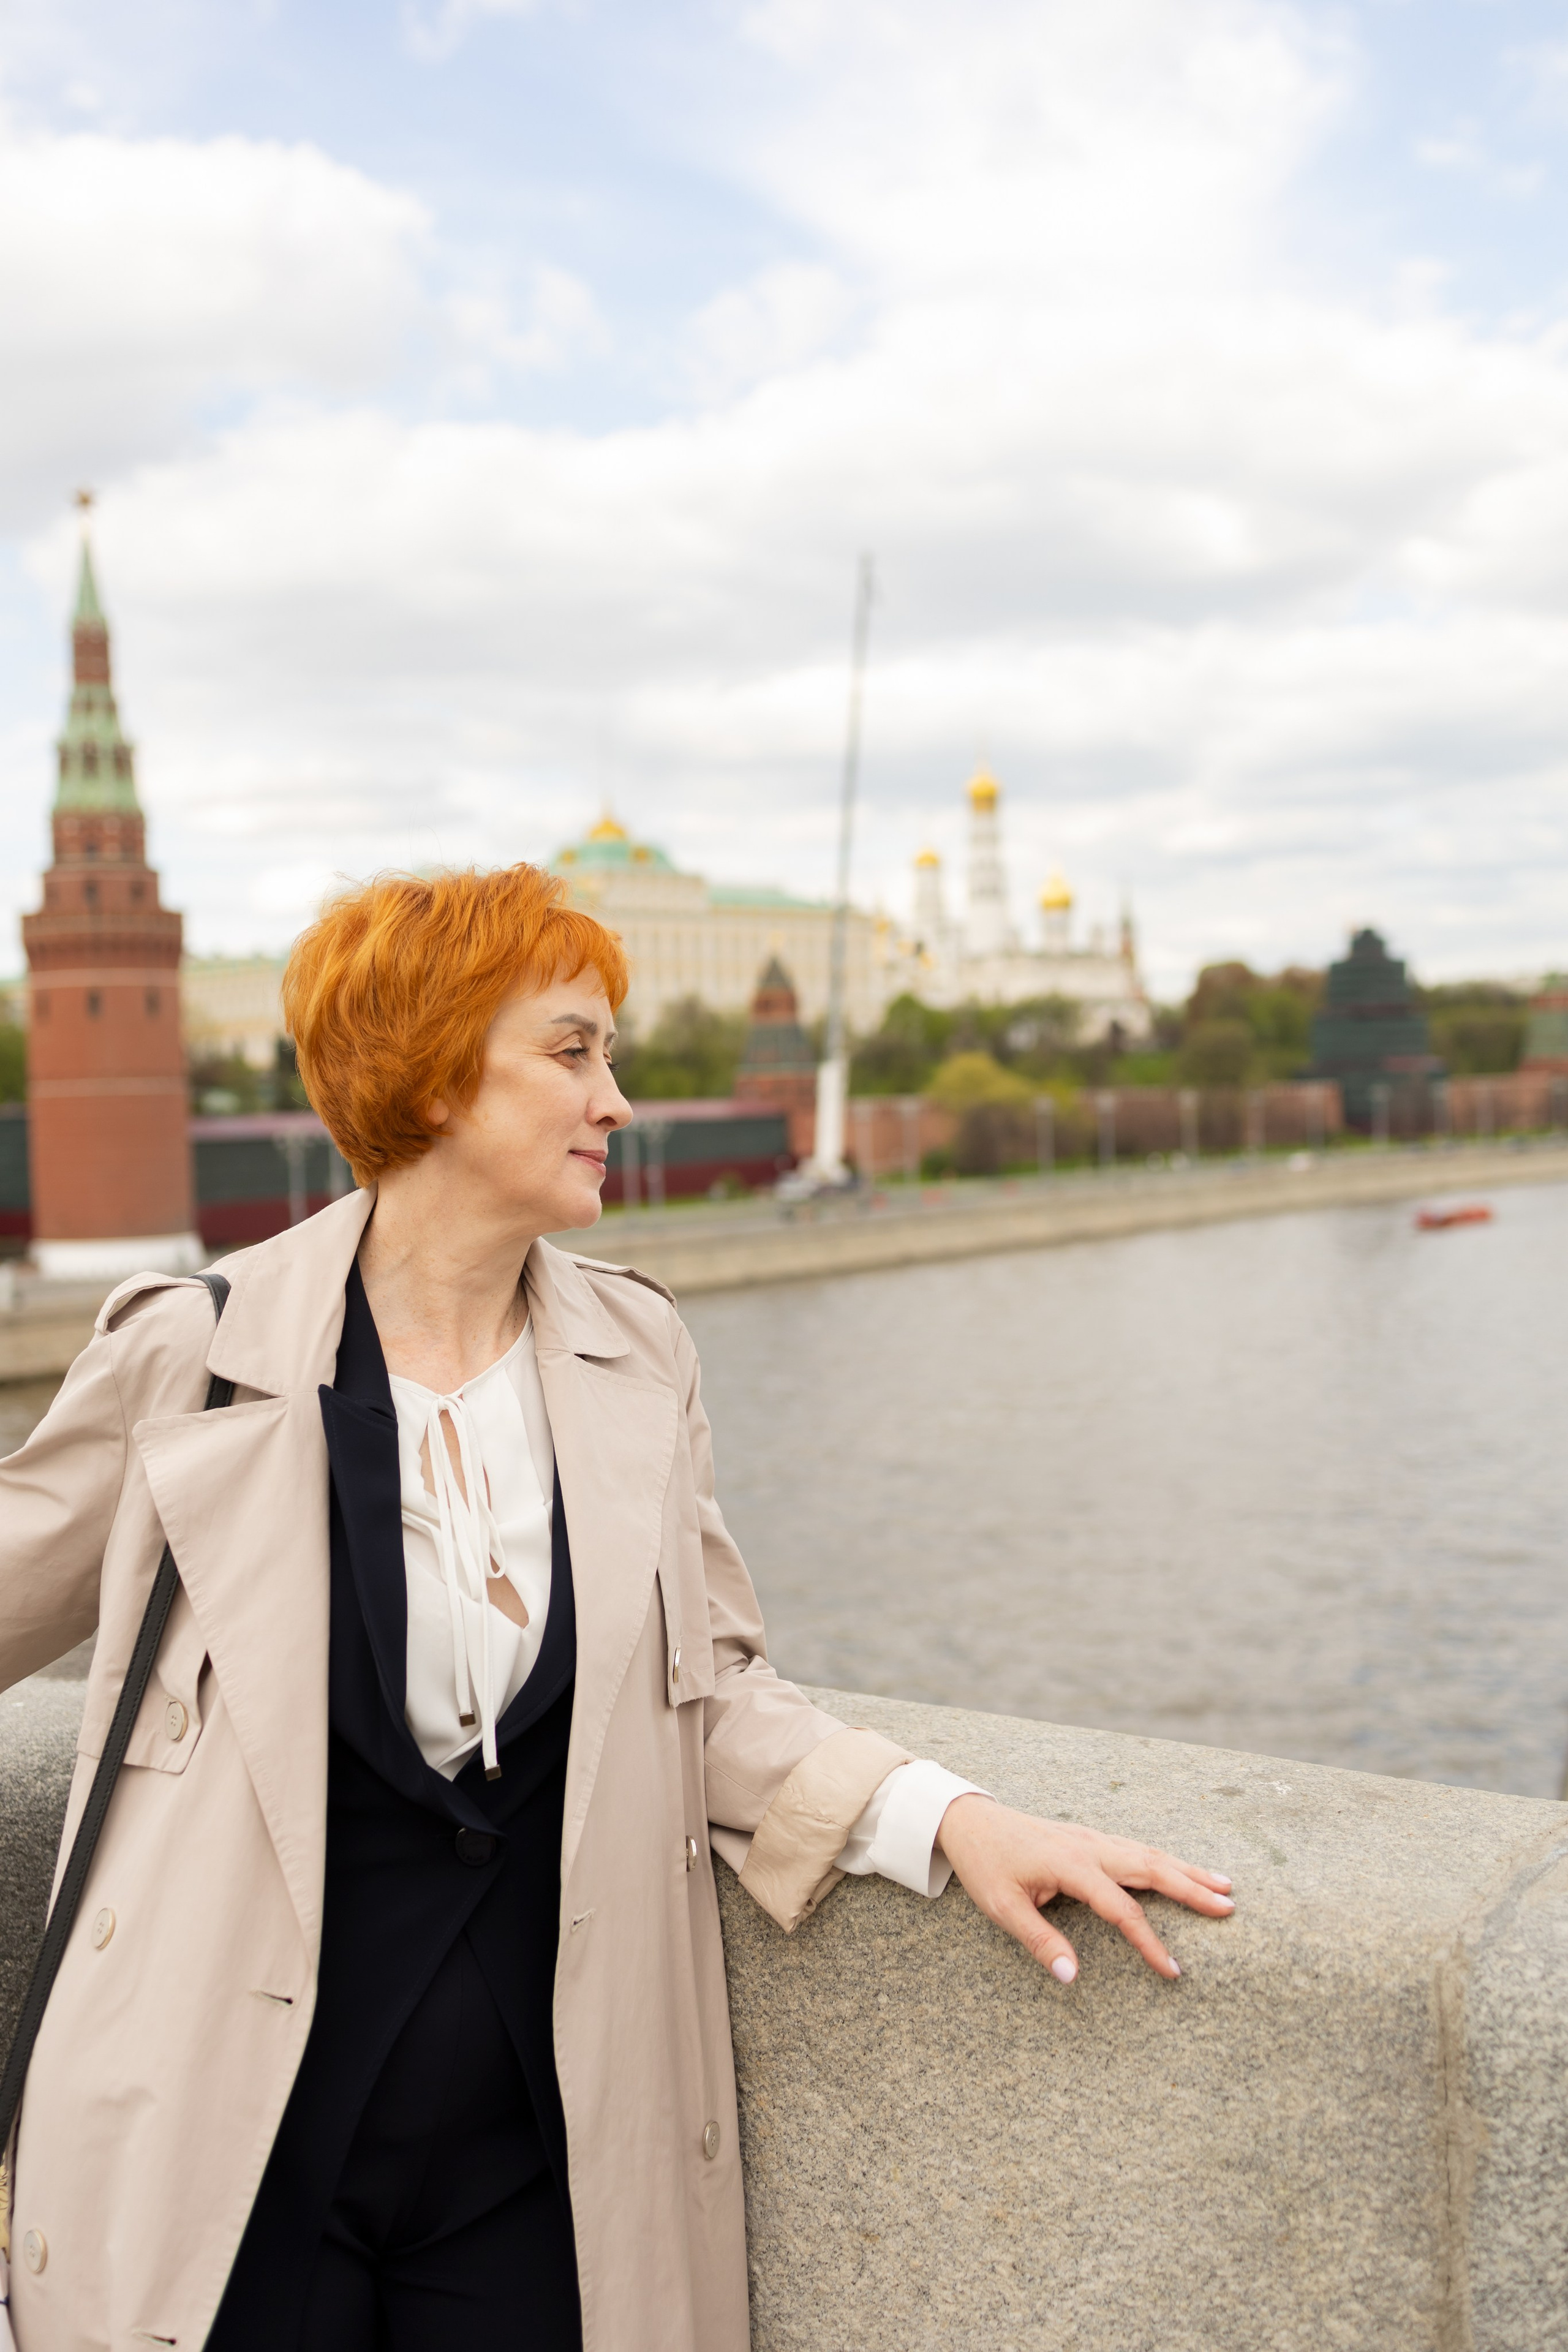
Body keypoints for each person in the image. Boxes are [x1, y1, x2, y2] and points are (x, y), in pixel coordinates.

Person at [0, 864, 1233, 2352]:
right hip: (230, 2139)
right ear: (436, 1079)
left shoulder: (637, 1349)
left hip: (545, 2152)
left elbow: (707, 1694)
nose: (618, 1101)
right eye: (573, 1052)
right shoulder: (194, 1354)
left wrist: (948, 1818)